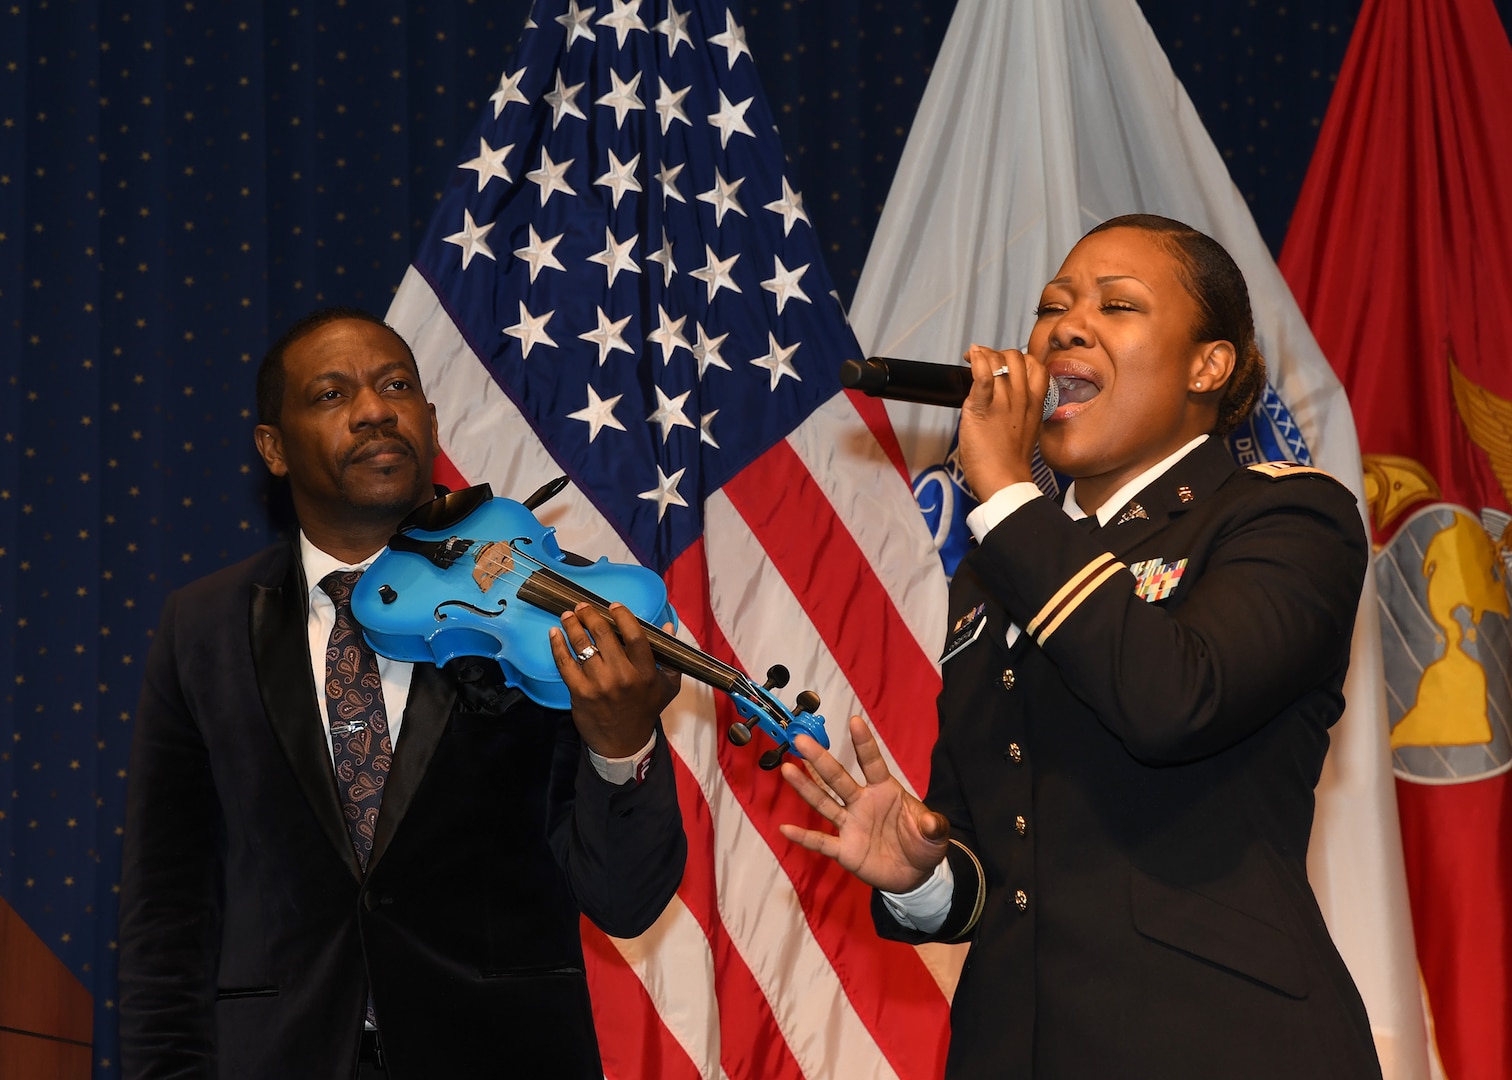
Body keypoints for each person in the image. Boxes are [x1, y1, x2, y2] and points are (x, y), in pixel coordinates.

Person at [779, 215, 1383, 1078]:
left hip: (1222, 1045)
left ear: (1208, 366)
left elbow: (1175, 701)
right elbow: (1005, 860)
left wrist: (1005, 495)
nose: (1065, 324)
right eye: (1052, 305)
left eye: (1119, 306)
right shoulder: (1000, 570)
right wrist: (923, 876)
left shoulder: (1286, 516)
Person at [118, 308, 688, 1079]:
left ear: (428, 418)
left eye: (396, 386)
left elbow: (625, 899)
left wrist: (622, 744)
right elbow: (168, 903)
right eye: (330, 394)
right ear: (273, 449)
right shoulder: (202, 626)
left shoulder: (541, 612)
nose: (375, 409)